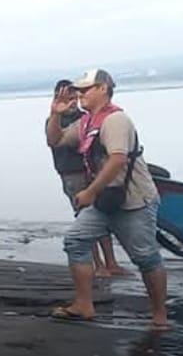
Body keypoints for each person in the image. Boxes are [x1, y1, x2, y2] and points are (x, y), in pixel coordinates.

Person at [46, 68, 169, 329]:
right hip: (106, 199)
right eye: (78, 90)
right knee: (76, 241)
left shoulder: (115, 120)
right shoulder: (86, 122)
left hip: (133, 199)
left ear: (103, 88)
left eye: (85, 89)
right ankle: (83, 304)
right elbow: (55, 141)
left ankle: (159, 316)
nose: (80, 95)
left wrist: (90, 191)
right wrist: (55, 114)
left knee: (145, 257)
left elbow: (118, 159)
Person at [48, 79, 126, 278]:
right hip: (71, 174)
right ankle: (97, 264)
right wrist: (55, 114)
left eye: (75, 97)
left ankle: (111, 262)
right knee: (85, 220)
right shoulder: (56, 122)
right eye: (68, 98)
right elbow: (53, 141)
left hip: (91, 173)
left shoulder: (87, 118)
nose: (73, 102)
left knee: (100, 219)